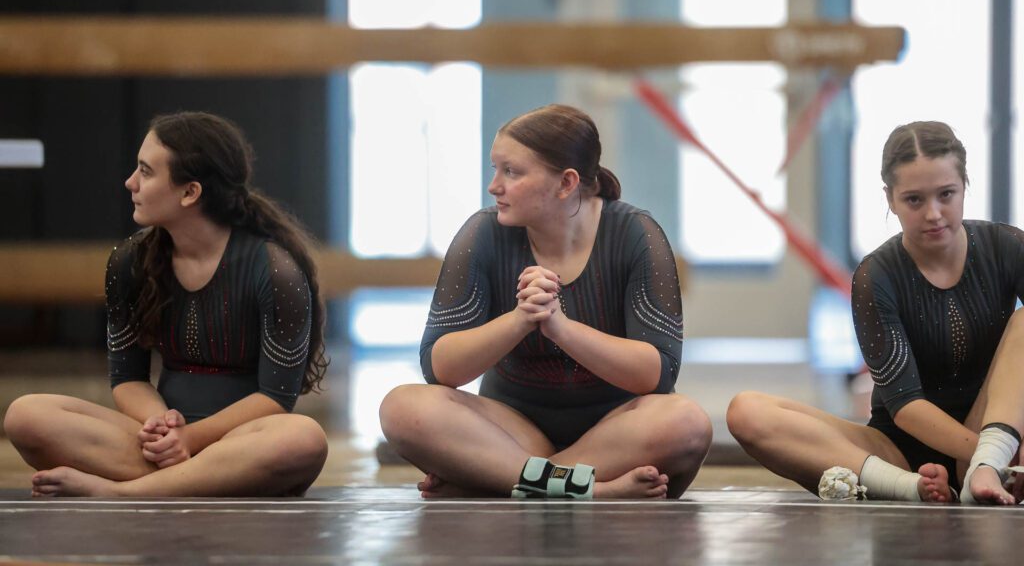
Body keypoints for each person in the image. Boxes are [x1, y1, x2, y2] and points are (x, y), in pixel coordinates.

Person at [379, 104, 711, 499]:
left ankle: (505, 479)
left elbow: (658, 374)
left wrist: (561, 328)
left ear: (566, 183)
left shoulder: (635, 233)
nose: (494, 186)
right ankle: (587, 489)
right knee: (402, 407)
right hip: (514, 430)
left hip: (616, 434)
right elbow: (439, 368)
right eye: (494, 169)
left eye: (511, 172)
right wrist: (521, 319)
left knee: (686, 422)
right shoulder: (482, 234)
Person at [3, 111, 330, 497]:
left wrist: (191, 438)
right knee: (26, 415)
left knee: (303, 439)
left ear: (190, 192)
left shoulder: (275, 270)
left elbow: (276, 399)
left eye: (145, 172)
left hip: (244, 439)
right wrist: (161, 424)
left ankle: (122, 492)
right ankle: (194, 482)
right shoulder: (130, 261)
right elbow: (127, 378)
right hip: (159, 443)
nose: (130, 182)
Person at [728, 121, 1024, 504]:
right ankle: (914, 490)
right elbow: (905, 406)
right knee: (747, 411)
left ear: (964, 185)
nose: (933, 213)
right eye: (914, 200)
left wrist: (998, 451)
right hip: (899, 453)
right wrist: (990, 458)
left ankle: (981, 471)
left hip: (996, 433)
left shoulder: (1008, 246)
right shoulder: (876, 275)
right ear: (890, 198)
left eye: (946, 195)